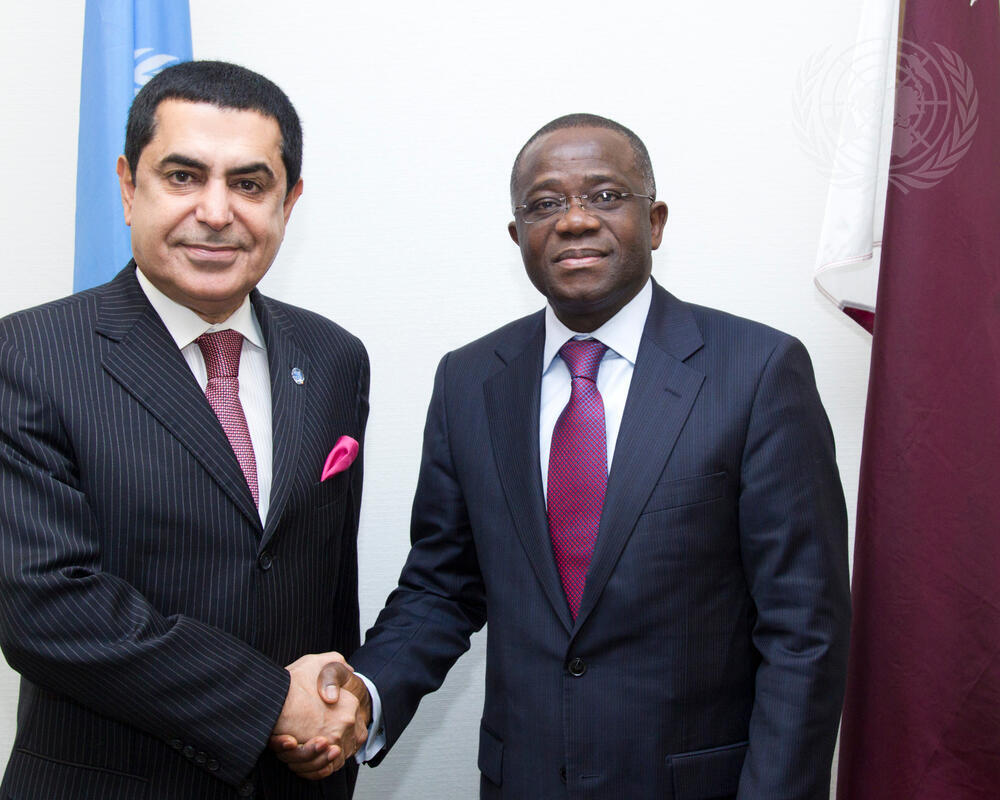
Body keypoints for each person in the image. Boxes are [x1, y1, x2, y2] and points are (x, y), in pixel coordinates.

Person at [277, 114, 851, 798]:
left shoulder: (756, 372)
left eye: (606, 196)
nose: (575, 220)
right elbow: (442, 586)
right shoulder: (469, 381)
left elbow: (803, 631)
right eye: (545, 203)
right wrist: (365, 694)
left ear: (655, 222)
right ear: (517, 235)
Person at [0, 61, 370, 800]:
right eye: (183, 176)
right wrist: (271, 701)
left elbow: (328, 584)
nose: (215, 212)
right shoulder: (25, 357)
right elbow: (45, 607)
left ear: (289, 202)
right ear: (128, 187)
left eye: (249, 184)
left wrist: (339, 703)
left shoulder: (333, 358)